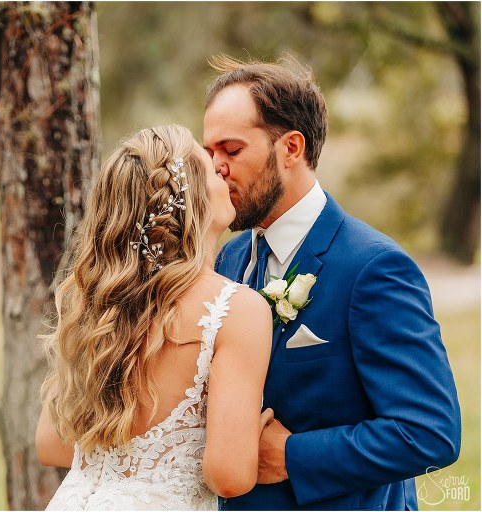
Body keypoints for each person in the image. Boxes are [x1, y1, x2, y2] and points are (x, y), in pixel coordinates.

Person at [203, 55, 462, 510]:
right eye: (210, 154)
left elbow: (430, 433)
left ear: (291, 149)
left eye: (232, 149)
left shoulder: (373, 268)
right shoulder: (230, 256)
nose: (216, 168)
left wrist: (292, 456)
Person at [35, 124, 274, 509]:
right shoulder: (234, 310)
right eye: (211, 169)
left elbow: (50, 444)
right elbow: (228, 477)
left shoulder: (94, 300)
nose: (222, 169)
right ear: (193, 199)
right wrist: (246, 441)